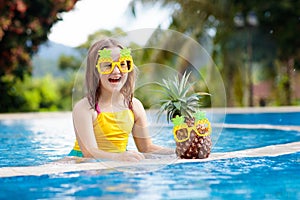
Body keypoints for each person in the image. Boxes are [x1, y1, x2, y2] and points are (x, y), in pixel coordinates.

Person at [69, 38, 173, 162]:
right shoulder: (85, 108)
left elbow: (147, 148)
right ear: (95, 71)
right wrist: (119, 157)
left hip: (116, 161)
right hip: (83, 164)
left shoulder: (134, 106)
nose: (117, 71)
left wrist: (179, 151)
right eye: (108, 65)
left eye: (123, 64)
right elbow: (89, 153)